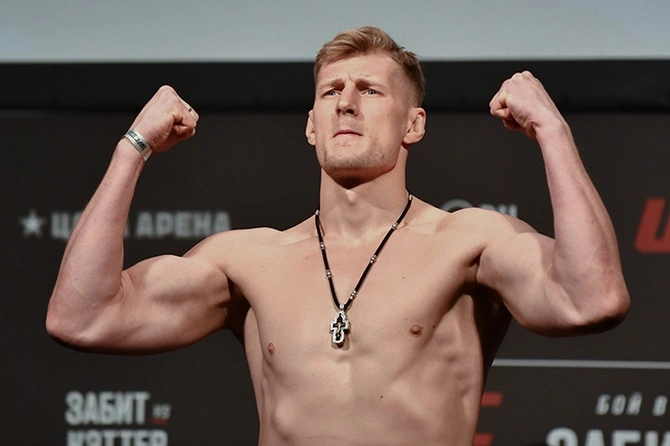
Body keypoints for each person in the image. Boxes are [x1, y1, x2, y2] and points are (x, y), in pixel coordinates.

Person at [47, 26, 630, 445]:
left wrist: (552, 130)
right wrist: (133, 148)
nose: (346, 103)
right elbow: (83, 318)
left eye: (370, 90)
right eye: (331, 92)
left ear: (413, 124)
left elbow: (592, 299)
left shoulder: (469, 242)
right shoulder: (247, 260)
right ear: (311, 125)